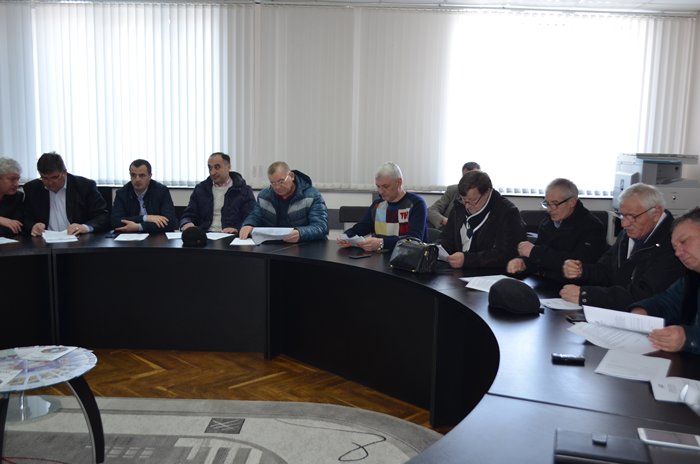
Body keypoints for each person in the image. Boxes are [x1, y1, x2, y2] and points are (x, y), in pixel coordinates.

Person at [560, 183, 683, 309]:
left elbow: (644, 294)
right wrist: (581, 271)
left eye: (632, 216)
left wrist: (587, 295)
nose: (624, 224)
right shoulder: (628, 234)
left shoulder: (674, 244)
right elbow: (606, 270)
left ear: (656, 214)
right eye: (622, 215)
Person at [628, 207, 700, 354]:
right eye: (675, 248)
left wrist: (689, 339)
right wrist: (642, 310)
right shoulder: (692, 278)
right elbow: (667, 302)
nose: (678, 253)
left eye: (684, 241)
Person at [506, 178, 607, 281]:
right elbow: (538, 258)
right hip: (544, 279)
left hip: (571, 284)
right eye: (547, 204)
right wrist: (523, 263)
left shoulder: (592, 227)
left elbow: (575, 265)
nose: (550, 209)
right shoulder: (547, 223)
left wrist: (535, 252)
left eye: (555, 204)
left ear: (572, 202)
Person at [437, 170, 525, 269]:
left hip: (489, 274)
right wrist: (437, 248)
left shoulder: (507, 213)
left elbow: (505, 254)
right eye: (464, 200)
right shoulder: (459, 206)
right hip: (458, 271)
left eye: (473, 200)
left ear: (487, 192)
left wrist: (467, 260)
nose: (467, 206)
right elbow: (447, 238)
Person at [337, 162, 427, 252]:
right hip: (378, 258)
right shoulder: (377, 205)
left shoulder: (416, 204)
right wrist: (345, 237)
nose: (380, 191)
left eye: (385, 186)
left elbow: (414, 240)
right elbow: (361, 228)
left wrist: (382, 243)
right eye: (378, 186)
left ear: (399, 182)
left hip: (407, 258)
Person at [239, 161, 328, 243]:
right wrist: (248, 224)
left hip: (305, 245)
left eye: (281, 182)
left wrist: (301, 233)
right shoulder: (264, 196)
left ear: (291, 176)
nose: (277, 187)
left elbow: (321, 227)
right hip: (275, 245)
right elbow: (255, 215)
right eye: (273, 183)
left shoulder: (312, 195)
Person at [23, 152, 109, 236]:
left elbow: (102, 216)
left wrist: (84, 227)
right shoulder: (32, 188)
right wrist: (33, 226)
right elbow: (25, 217)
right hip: (44, 240)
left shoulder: (84, 186)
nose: (50, 183)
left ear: (64, 172)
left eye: (54, 177)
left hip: (78, 239)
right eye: (44, 178)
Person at [180, 152, 255, 234]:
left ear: (228, 167)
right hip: (204, 234)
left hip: (231, 235)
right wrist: (186, 222)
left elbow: (250, 217)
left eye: (217, 167)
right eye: (210, 168)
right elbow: (188, 215)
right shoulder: (201, 189)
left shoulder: (243, 190)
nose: (212, 172)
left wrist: (237, 228)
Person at [111, 159, 178, 233]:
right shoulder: (122, 193)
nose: (137, 179)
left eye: (142, 175)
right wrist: (145, 218)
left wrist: (139, 227)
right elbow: (115, 221)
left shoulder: (161, 191)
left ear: (150, 176)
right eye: (133, 175)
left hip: (156, 237)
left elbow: (170, 222)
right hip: (129, 237)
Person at [427, 161, 480, 230]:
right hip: (447, 230)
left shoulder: (484, 195)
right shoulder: (453, 190)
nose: (470, 181)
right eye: (466, 177)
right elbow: (431, 210)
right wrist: (445, 221)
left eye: (474, 178)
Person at [0, 157, 24, 236]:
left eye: (18, 179)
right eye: (12, 179)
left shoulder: (17, 197)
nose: (16, 184)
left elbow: (16, 227)